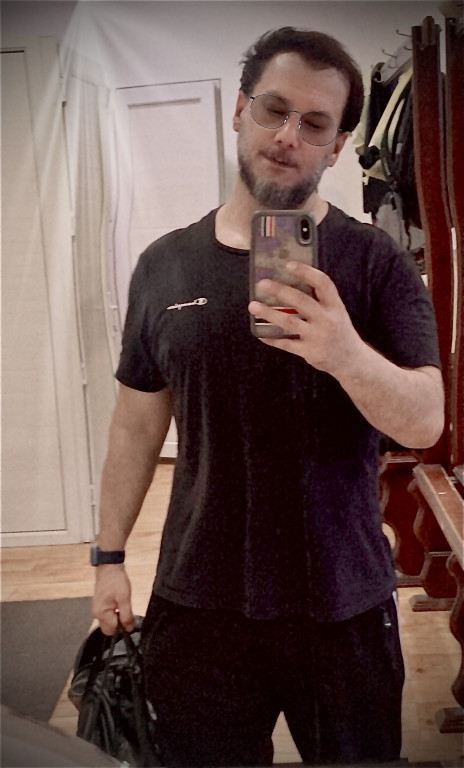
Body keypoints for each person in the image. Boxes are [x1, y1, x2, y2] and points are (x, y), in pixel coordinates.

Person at [92, 27, 444, 767]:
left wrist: (345, 352)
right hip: (199, 599)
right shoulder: (163, 265)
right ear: (239, 110)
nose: (287, 137)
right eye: (273, 110)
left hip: (342, 602)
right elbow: (134, 425)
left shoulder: (375, 262)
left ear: (338, 147)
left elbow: (425, 422)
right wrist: (108, 556)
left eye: (314, 124)